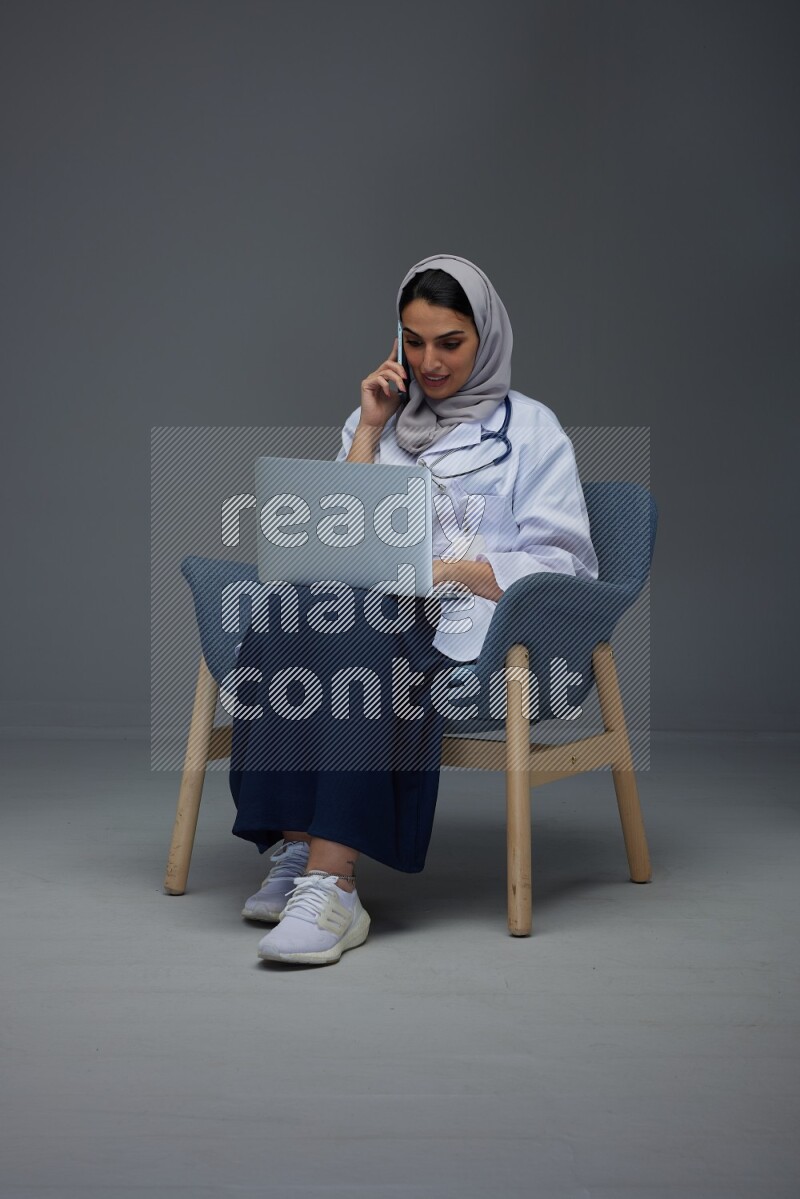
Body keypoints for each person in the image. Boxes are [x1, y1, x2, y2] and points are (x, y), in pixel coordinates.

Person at [229, 253, 599, 966]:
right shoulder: (381, 420)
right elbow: (329, 530)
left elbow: (564, 563)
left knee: (364, 626)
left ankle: (333, 882)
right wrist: (369, 428)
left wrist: (448, 569)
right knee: (285, 608)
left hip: (475, 622)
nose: (429, 361)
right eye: (414, 340)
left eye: (450, 342)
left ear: (484, 339)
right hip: (376, 605)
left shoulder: (532, 431)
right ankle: (296, 840)